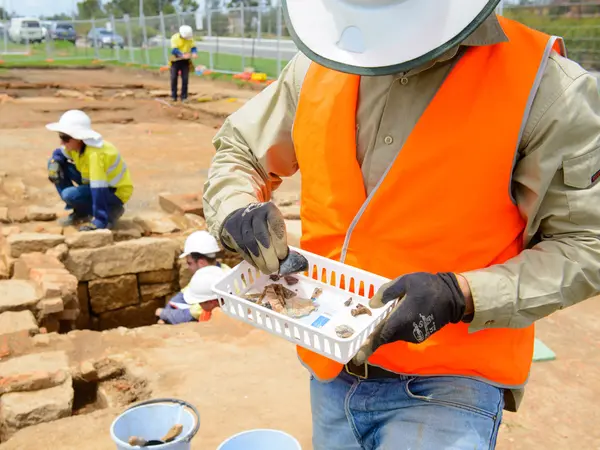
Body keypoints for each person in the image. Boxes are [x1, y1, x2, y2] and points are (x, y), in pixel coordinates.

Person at [202, 1, 600, 449]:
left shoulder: (545, 86)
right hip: (331, 368)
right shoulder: (324, 60)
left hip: (451, 386)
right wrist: (235, 208)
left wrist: (462, 294)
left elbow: (586, 244)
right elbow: (241, 150)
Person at [46, 110, 133, 231]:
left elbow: (99, 188)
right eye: (61, 137)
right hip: (94, 184)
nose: (62, 142)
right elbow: (58, 153)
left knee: (69, 195)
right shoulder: (76, 146)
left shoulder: (95, 155)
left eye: (65, 138)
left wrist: (100, 220)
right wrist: (54, 162)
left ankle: (111, 211)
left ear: (79, 138)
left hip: (114, 192)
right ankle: (82, 212)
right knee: (54, 164)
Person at [156, 230, 229, 324]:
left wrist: (164, 314)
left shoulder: (215, 286)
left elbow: (189, 315)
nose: (188, 268)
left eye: (189, 263)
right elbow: (181, 296)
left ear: (201, 263)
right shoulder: (220, 270)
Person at [170, 25, 198, 103]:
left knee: (185, 79)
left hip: (185, 61)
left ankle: (184, 97)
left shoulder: (190, 38)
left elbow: (193, 47)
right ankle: (173, 96)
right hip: (175, 60)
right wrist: (182, 55)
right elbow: (174, 50)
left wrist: (194, 53)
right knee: (173, 78)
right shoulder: (174, 38)